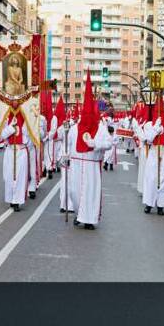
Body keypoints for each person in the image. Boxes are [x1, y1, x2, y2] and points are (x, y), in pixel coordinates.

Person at [60, 72, 109, 229]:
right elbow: (68, 144)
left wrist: (95, 143)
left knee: (90, 193)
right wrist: (65, 156)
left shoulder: (100, 128)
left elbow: (108, 143)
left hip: (91, 165)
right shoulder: (75, 128)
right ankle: (78, 214)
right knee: (75, 192)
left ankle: (89, 219)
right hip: (75, 164)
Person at [137, 97, 164, 215]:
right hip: (153, 152)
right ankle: (149, 204)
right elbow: (148, 139)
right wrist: (155, 129)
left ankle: (161, 205)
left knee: (163, 179)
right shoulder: (149, 125)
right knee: (151, 178)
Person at [0, 111, 30, 211]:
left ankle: (17, 200)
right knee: (8, 176)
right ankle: (11, 198)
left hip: (21, 150)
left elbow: (29, 135)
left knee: (19, 176)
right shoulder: (6, 117)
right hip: (9, 150)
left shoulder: (26, 117)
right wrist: (11, 127)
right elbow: (1, 136)